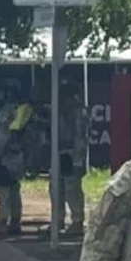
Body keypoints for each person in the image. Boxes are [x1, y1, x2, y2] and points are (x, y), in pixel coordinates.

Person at [0, 81, 27, 235]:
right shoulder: (22, 110)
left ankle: (2, 221)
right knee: (14, 188)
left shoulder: (6, 111)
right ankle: (15, 221)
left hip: (5, 155)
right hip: (19, 154)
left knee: (3, 189)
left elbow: (3, 134)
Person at [56, 83, 90, 236]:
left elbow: (80, 138)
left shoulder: (78, 112)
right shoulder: (59, 111)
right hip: (60, 153)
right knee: (56, 188)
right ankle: (57, 221)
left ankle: (77, 222)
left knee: (72, 189)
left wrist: (78, 160)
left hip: (72, 154)